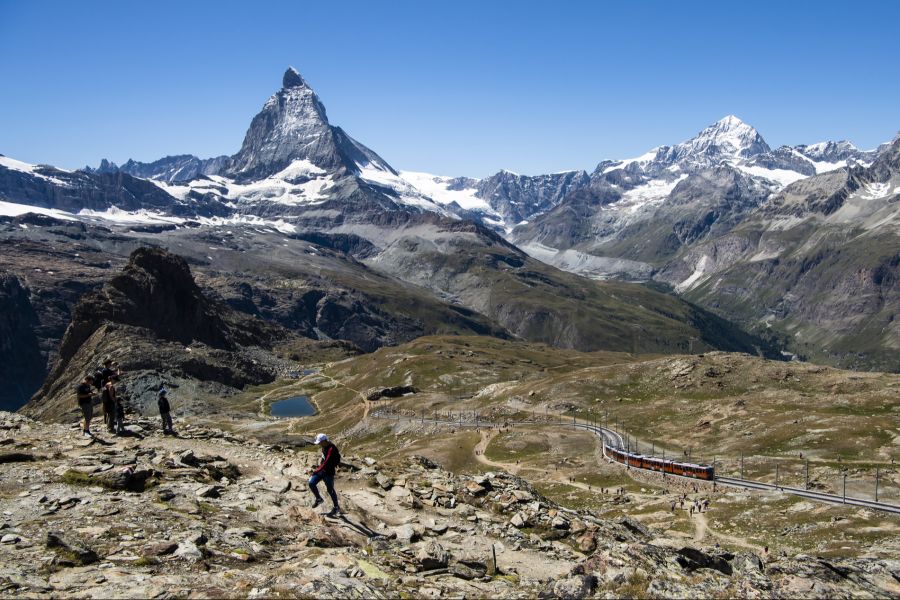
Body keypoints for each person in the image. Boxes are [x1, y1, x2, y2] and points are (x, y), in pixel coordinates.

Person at [309, 433, 341, 517]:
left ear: (324, 441)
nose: (318, 444)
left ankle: (336, 507)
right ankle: (319, 499)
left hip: (329, 472)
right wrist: (319, 468)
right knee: (311, 483)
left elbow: (326, 462)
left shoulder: (331, 448)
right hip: (322, 470)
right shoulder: (324, 446)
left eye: (320, 442)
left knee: (330, 490)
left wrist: (316, 471)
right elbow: (323, 459)